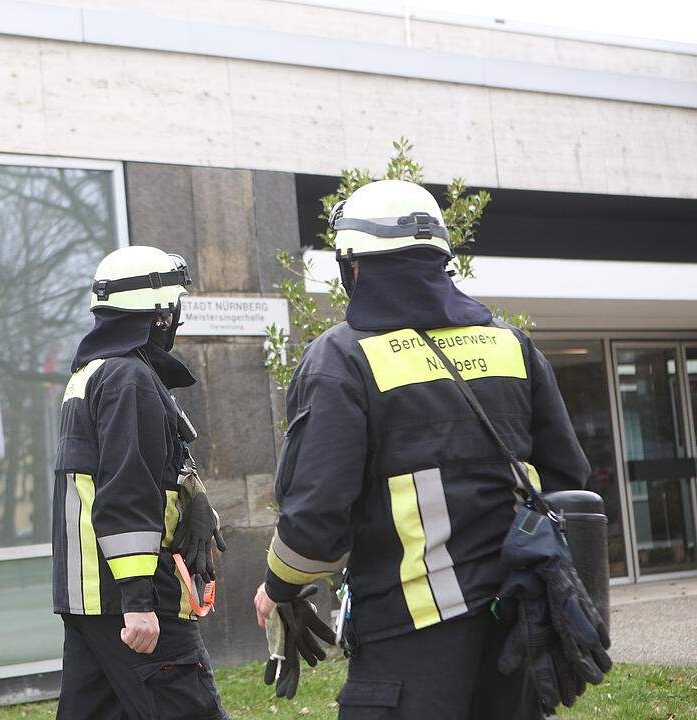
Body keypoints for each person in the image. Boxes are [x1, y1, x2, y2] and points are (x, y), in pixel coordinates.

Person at [253, 180, 592, 719]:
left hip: (409, 634)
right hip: (518, 626)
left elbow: (316, 518)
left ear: (354, 266)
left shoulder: (341, 358)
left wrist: (280, 586)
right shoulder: (511, 344)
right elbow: (568, 479)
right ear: (441, 259)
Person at [52, 246, 230, 720]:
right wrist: (139, 602)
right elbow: (126, 490)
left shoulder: (90, 374)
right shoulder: (129, 377)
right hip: (132, 599)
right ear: (159, 314)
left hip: (89, 599)